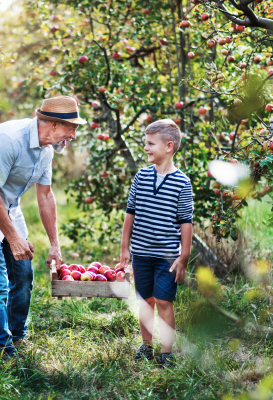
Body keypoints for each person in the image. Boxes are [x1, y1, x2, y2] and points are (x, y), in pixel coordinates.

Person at [0, 96, 86, 357]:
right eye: (72, 128)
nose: (74, 135)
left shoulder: (46, 150)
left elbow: (45, 196)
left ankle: (18, 335)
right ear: (54, 125)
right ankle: (3, 348)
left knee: (23, 275)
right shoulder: (9, 140)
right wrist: (13, 239)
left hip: (9, 208)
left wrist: (55, 245)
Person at [119, 119, 193, 368]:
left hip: (167, 257)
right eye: (145, 143)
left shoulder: (182, 183)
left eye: (150, 144)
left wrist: (184, 256)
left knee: (163, 301)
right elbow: (130, 213)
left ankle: (166, 352)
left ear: (169, 146)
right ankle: (146, 345)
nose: (146, 148)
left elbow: (186, 222)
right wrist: (124, 248)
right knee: (146, 301)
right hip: (141, 253)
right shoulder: (141, 176)